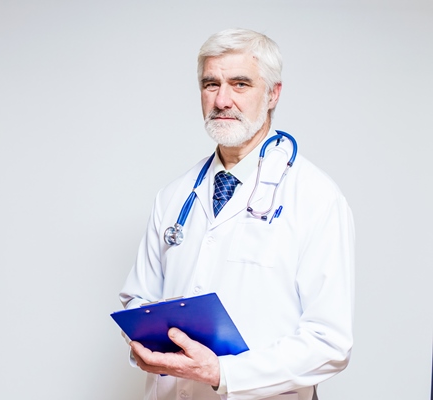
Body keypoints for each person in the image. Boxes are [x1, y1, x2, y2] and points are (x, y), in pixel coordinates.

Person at [118, 28, 355, 400]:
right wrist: (146, 339)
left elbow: (329, 343)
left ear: (273, 93)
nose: (222, 100)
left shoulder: (315, 197)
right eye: (211, 84)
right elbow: (138, 300)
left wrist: (222, 373)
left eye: (240, 84)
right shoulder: (174, 195)